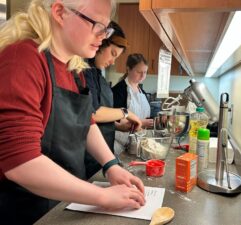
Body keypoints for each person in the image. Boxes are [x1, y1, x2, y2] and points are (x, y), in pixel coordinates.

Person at [0, 1, 145, 225]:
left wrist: (111, 165)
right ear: (60, 13)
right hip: (25, 208)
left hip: (61, 203)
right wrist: (102, 196)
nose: (103, 36)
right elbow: (21, 163)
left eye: (106, 29)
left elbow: (86, 123)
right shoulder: (23, 58)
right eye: (97, 25)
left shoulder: (73, 68)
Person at [84, 21, 142, 178]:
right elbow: (92, 114)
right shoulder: (83, 71)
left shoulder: (98, 75)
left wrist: (117, 126)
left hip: (101, 158)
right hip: (86, 157)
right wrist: (125, 112)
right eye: (113, 54)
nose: (113, 62)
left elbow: (97, 118)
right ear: (100, 43)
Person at [112, 53, 153, 154]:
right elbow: (116, 121)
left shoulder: (141, 91)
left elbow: (144, 114)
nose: (143, 76)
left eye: (145, 72)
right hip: (120, 147)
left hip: (137, 143)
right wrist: (140, 123)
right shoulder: (118, 91)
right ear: (128, 69)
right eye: (139, 72)